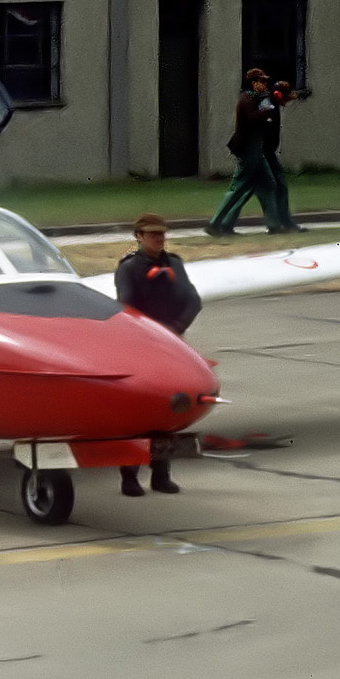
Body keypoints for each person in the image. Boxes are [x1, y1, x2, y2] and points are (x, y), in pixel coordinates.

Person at [113, 213, 201, 497]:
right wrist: (153, 334)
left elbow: (193, 300)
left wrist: (176, 329)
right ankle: (129, 477)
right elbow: (128, 309)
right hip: (141, 347)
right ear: (138, 237)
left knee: (170, 409)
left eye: (161, 234)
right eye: (152, 234)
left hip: (172, 344)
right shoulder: (128, 269)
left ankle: (161, 474)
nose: (159, 238)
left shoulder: (175, 263)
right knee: (137, 415)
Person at [205, 68, 303, 236]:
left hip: (257, 152)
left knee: (268, 184)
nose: (265, 85)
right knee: (238, 189)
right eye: (262, 82)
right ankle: (215, 224)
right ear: (253, 82)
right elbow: (252, 120)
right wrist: (266, 111)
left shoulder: (255, 99)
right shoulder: (248, 99)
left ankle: (273, 226)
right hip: (250, 152)